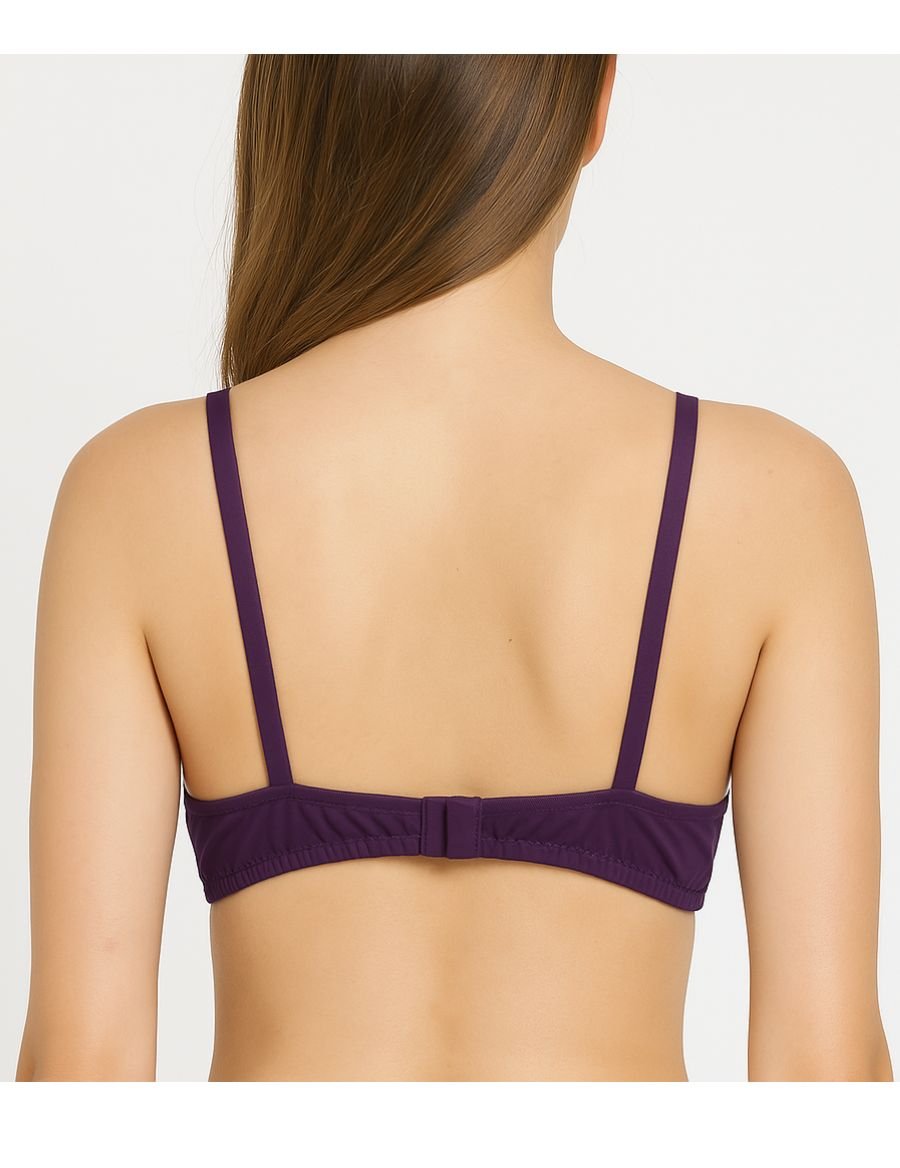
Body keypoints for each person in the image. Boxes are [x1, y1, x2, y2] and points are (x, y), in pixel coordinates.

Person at [16, 54, 892, 1082]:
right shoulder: (772, 499)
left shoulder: (140, 491)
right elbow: (821, 1066)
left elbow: (85, 1062)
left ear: (303, 109)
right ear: (595, 104)